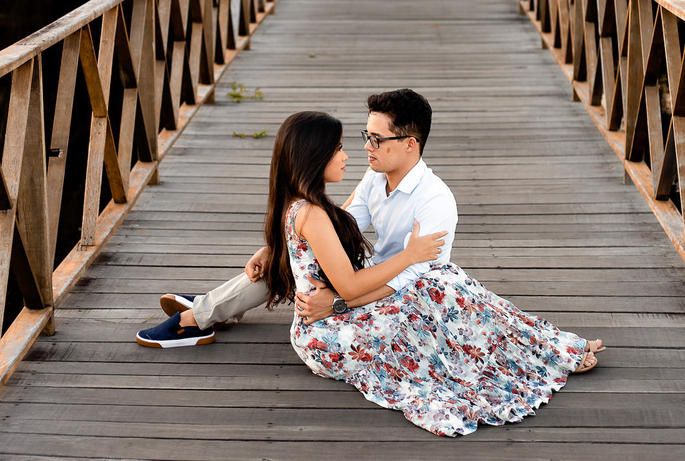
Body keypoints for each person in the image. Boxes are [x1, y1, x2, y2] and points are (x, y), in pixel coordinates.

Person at [268, 110, 603, 436]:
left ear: (409, 143)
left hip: (335, 313)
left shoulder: (309, 205)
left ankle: (547, 347)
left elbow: (337, 242)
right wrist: (410, 254)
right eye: (339, 147)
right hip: (326, 331)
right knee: (438, 293)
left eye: (374, 139)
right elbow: (350, 284)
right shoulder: (312, 212)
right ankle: (543, 352)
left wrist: (335, 294)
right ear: (315, 157)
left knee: (443, 284)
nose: (354, 152)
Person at [136, 88, 454, 347]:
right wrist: (282, 246)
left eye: (377, 139)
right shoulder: (375, 178)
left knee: (299, 263)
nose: (366, 147)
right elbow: (337, 226)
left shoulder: (434, 201)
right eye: (365, 135)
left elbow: (414, 278)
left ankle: (207, 309)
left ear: (410, 144)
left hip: (404, 301)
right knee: (286, 259)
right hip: (366, 278)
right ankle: (209, 309)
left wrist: (339, 302)